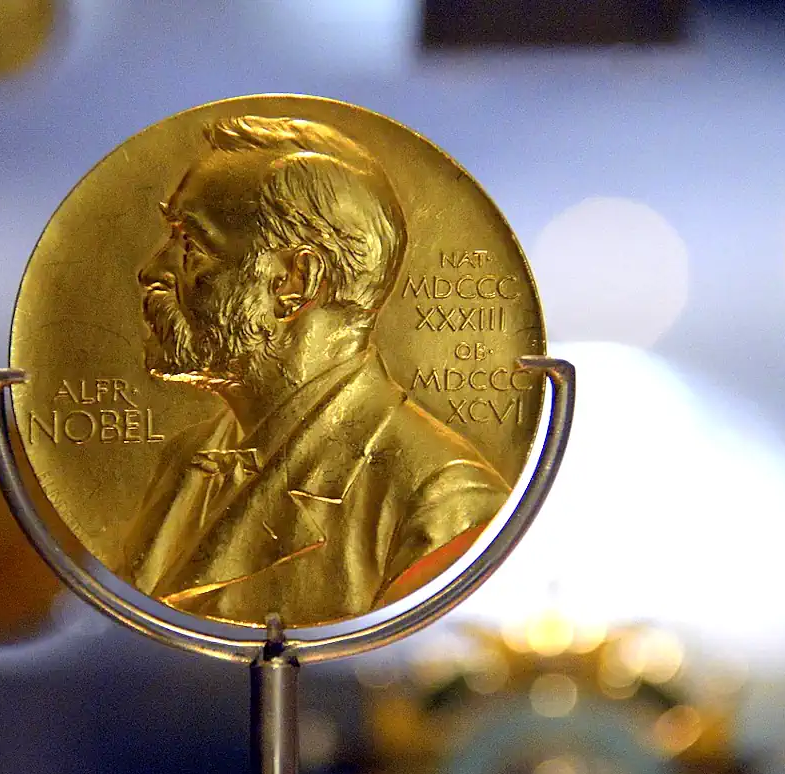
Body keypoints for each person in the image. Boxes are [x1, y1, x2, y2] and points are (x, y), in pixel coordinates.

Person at [122, 115, 508, 625]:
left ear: (295, 281)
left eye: (191, 246)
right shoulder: (186, 460)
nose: (153, 271)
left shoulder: (441, 500)